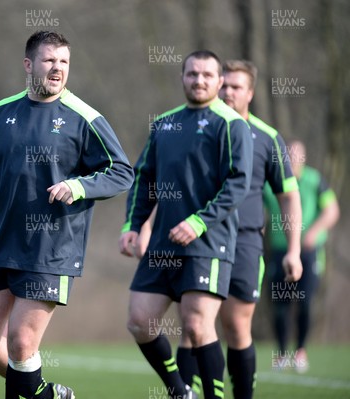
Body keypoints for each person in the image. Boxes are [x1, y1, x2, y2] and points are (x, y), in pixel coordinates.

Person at [0, 30, 133, 399]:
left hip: (50, 249)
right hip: (0, 243)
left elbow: (121, 171)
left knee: (21, 343)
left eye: (64, 62)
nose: (57, 69)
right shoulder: (0, 113)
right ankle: (43, 393)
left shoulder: (85, 117)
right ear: (28, 64)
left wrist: (78, 186)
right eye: (50, 60)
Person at [119, 50, 253, 399]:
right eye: (192, 74)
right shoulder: (164, 123)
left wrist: (198, 222)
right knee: (139, 321)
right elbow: (144, 177)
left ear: (219, 81)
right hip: (163, 243)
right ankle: (180, 391)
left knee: (196, 325)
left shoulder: (231, 124)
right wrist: (132, 225)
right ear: (182, 77)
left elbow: (237, 185)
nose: (199, 80)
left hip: (207, 242)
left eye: (208, 75)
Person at [174, 59, 303, 399]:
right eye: (225, 85)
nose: (228, 92)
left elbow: (288, 196)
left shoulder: (267, 138)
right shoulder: (196, 127)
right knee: (192, 326)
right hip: (198, 237)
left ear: (251, 93)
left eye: (237, 87)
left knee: (235, 325)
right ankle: (185, 394)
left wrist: (293, 249)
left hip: (244, 240)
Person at [264, 139, 339, 373]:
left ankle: (300, 351)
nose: (294, 158)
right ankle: (282, 353)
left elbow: (332, 210)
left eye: (298, 154)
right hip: (279, 251)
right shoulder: (272, 182)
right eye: (290, 153)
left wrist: (313, 233)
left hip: (308, 253)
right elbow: (259, 207)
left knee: (304, 302)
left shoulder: (314, 180)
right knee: (280, 304)